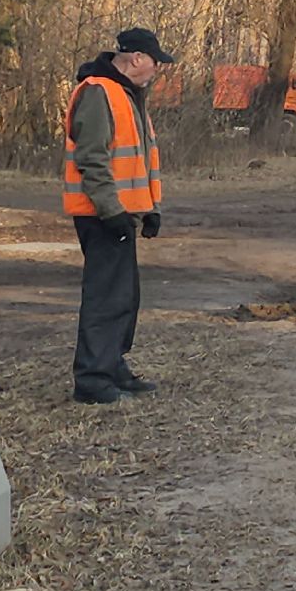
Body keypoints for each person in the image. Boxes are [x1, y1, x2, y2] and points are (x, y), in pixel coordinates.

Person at [63, 27, 172, 405]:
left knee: (124, 296)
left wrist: (149, 209)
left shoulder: (126, 94)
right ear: (136, 59)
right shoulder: (99, 92)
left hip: (120, 213)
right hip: (101, 215)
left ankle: (111, 365)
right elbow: (91, 158)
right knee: (105, 297)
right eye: (155, 62)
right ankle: (93, 379)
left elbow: (139, 160)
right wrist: (111, 212)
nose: (157, 70)